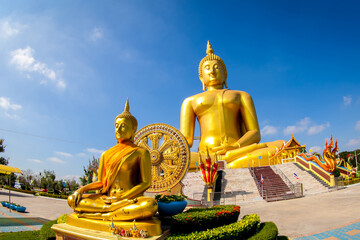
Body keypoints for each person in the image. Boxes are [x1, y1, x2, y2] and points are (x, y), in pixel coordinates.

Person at [180, 41, 284, 169]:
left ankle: (227, 160)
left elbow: (255, 133)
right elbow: (187, 140)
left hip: (237, 151)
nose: (212, 71)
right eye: (207, 68)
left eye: (217, 67)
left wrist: (235, 146)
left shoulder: (241, 95)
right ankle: (229, 162)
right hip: (207, 154)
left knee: (282, 144)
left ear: (225, 74)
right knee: (177, 159)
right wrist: (173, 149)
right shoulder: (190, 101)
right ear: (201, 78)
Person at [67, 99, 157, 220]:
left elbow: (146, 182)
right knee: (72, 199)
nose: (118, 129)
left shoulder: (141, 152)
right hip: (107, 199)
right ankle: (110, 212)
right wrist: (81, 189)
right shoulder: (106, 154)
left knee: (150, 205)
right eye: (116, 126)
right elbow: (101, 183)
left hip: (128, 199)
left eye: (123, 126)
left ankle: (104, 215)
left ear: (133, 130)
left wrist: (122, 197)